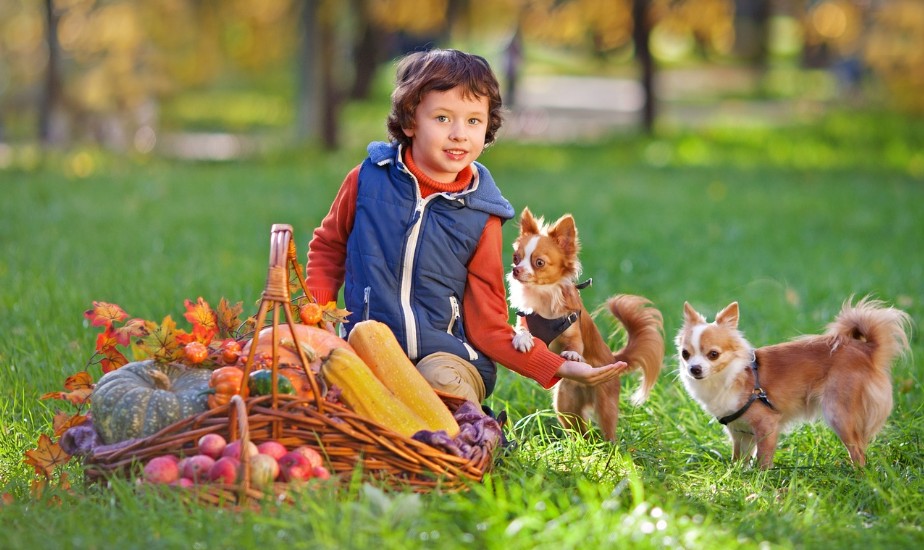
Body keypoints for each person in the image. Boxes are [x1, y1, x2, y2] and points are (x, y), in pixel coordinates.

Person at [305, 48, 625, 405]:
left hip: (449, 357)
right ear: (410, 122)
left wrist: (556, 365)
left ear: (488, 127)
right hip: (367, 347)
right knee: (340, 394)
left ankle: (459, 435)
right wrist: (318, 316)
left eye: (473, 121)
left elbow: (488, 324)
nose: (459, 134)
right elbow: (329, 248)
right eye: (442, 118)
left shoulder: (481, 215)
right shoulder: (367, 180)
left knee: (439, 384)